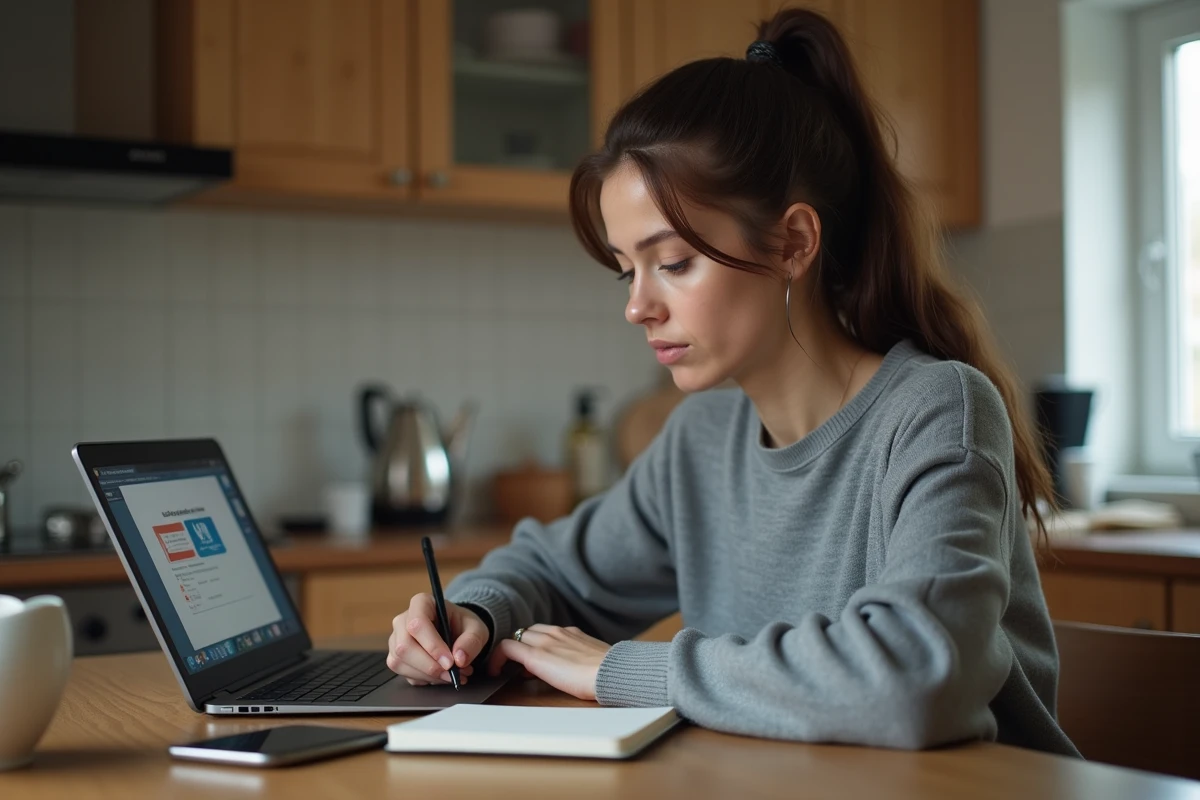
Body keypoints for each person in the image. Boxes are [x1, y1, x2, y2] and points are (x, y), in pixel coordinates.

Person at [386, 8, 1079, 755]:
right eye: (626, 271)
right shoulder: (701, 441)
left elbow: (915, 678)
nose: (637, 307)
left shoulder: (936, 411)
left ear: (793, 243)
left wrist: (625, 671)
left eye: (673, 263)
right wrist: (474, 614)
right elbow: (553, 570)